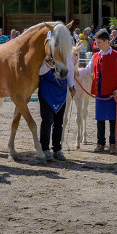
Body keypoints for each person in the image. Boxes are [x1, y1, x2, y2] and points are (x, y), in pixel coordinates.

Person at [77, 29, 117, 152]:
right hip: (99, 92)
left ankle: (113, 143)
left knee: (112, 120)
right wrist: (75, 73)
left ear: (106, 41)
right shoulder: (95, 56)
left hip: (113, 93)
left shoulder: (116, 55)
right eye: (96, 42)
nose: (96, 45)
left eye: (99, 42)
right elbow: (88, 70)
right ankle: (100, 143)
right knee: (100, 119)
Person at [38, 33, 76, 162]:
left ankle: (57, 149)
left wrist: (71, 85)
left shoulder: (66, 55)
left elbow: (70, 70)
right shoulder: (44, 54)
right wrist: (48, 64)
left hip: (60, 91)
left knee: (59, 122)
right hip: (47, 91)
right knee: (47, 121)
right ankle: (44, 148)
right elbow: (39, 72)